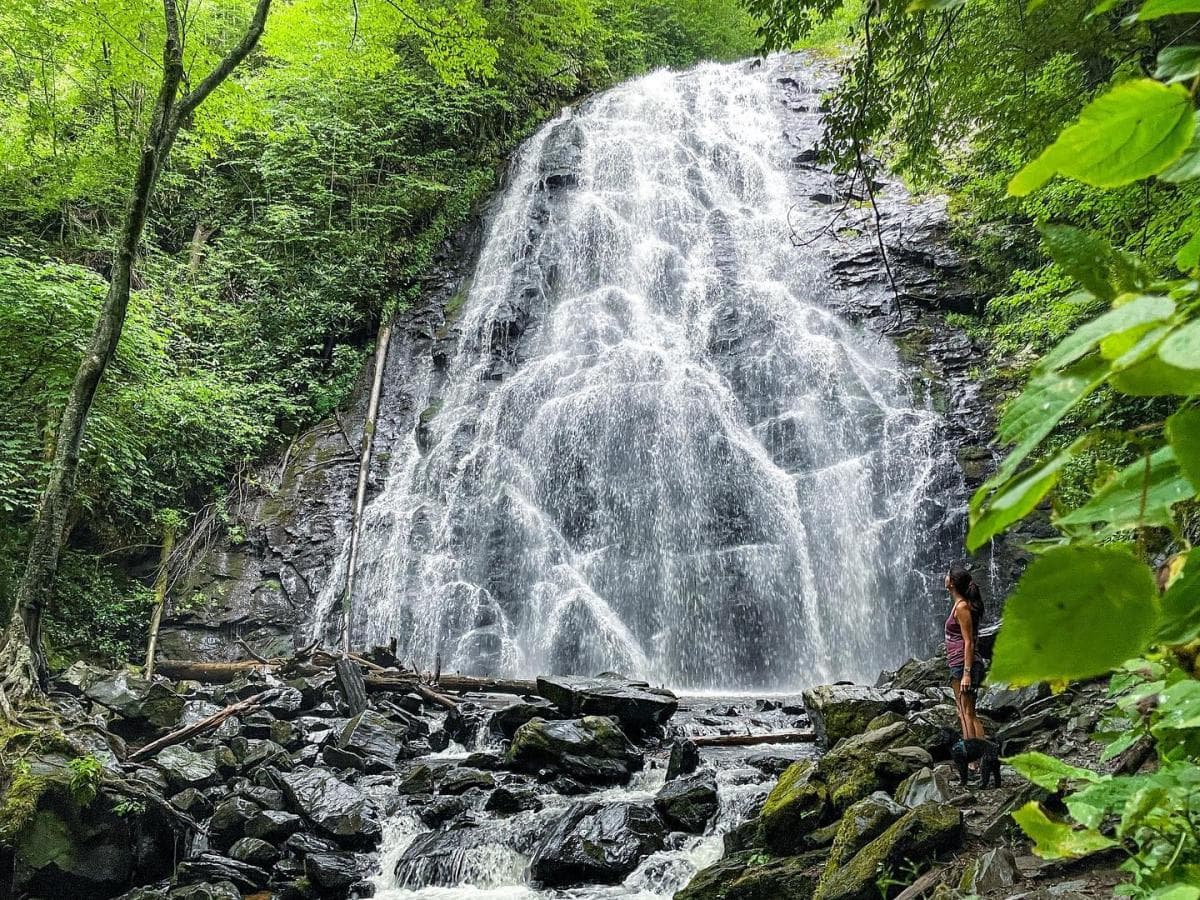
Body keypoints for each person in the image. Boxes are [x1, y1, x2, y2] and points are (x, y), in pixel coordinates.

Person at [945, 563, 986, 743]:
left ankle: (972, 755)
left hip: (963, 664)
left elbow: (969, 641)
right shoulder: (960, 605)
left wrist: (966, 674)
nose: (945, 577)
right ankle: (983, 753)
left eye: (948, 575)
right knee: (969, 712)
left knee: (965, 713)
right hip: (960, 663)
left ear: (952, 583)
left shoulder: (962, 607)